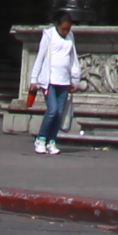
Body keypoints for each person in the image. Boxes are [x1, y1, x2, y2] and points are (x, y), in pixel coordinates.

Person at [26, 11, 81, 155]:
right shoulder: (49, 35)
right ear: (57, 25)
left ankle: (52, 140)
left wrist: (75, 79)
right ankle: (41, 138)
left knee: (59, 113)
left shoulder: (70, 37)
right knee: (52, 110)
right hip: (49, 81)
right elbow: (40, 57)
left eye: (68, 29)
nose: (66, 32)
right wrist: (34, 79)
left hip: (64, 81)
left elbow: (73, 58)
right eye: (63, 29)